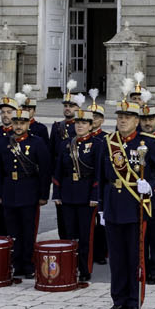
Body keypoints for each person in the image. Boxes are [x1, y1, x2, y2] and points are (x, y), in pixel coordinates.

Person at [102, 97, 155, 309]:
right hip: (114, 207)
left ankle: (134, 302)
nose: (123, 121)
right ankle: (118, 300)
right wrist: (103, 209)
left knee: (135, 258)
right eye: (120, 117)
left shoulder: (147, 144)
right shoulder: (107, 143)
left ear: (136, 121)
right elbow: (102, 178)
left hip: (136, 210)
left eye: (127, 118)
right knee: (116, 259)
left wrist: (151, 186)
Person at [0, 101, 53, 280]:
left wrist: (43, 194)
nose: (18, 127)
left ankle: (28, 264)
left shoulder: (37, 142)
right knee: (12, 230)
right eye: (16, 123)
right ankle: (14, 262)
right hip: (9, 190)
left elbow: (45, 170)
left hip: (29, 190)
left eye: (22, 123)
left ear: (28, 124)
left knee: (28, 230)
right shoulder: (3, 142)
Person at [53, 97, 110, 285]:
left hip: (87, 196)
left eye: (84, 123)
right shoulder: (66, 144)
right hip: (68, 194)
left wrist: (95, 195)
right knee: (69, 234)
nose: (80, 126)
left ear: (90, 125)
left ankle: (85, 269)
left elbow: (99, 173)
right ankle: (69, 266)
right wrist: (57, 194)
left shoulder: (98, 144)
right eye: (78, 122)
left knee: (86, 236)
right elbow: (59, 171)